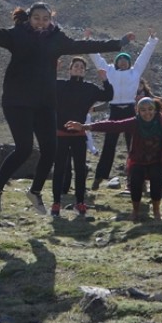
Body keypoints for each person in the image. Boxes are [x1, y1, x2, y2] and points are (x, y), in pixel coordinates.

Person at [0, 2, 126, 215]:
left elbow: (83, 46)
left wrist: (117, 44)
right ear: (29, 18)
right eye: (36, 18)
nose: (41, 22)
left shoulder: (57, 39)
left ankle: (35, 191)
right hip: (17, 101)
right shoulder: (18, 35)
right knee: (24, 148)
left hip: (44, 103)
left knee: (50, 150)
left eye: (45, 18)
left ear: (50, 19)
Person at [67, 99, 162, 222]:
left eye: (150, 109)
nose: (147, 113)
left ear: (155, 109)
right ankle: (135, 211)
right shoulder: (134, 122)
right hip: (137, 160)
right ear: (138, 111)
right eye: (143, 110)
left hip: (157, 159)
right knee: (135, 183)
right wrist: (85, 127)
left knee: (157, 180)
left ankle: (156, 211)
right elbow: (113, 125)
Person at [88, 30, 158, 189]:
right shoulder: (109, 71)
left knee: (134, 146)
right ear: (116, 62)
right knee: (109, 146)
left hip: (130, 111)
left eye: (126, 60)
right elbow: (98, 60)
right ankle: (99, 177)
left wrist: (151, 41)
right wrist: (88, 40)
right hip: (114, 111)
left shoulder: (135, 72)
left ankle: (139, 181)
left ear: (129, 63)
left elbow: (143, 58)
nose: (123, 62)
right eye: (120, 60)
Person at [52, 57, 113, 217]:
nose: (79, 69)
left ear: (85, 72)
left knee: (80, 169)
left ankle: (80, 202)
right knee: (59, 169)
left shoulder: (90, 88)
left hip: (79, 135)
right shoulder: (60, 85)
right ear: (70, 69)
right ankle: (56, 203)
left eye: (82, 67)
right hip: (60, 134)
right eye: (76, 66)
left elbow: (108, 95)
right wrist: (53, 70)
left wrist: (105, 79)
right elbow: (43, 86)